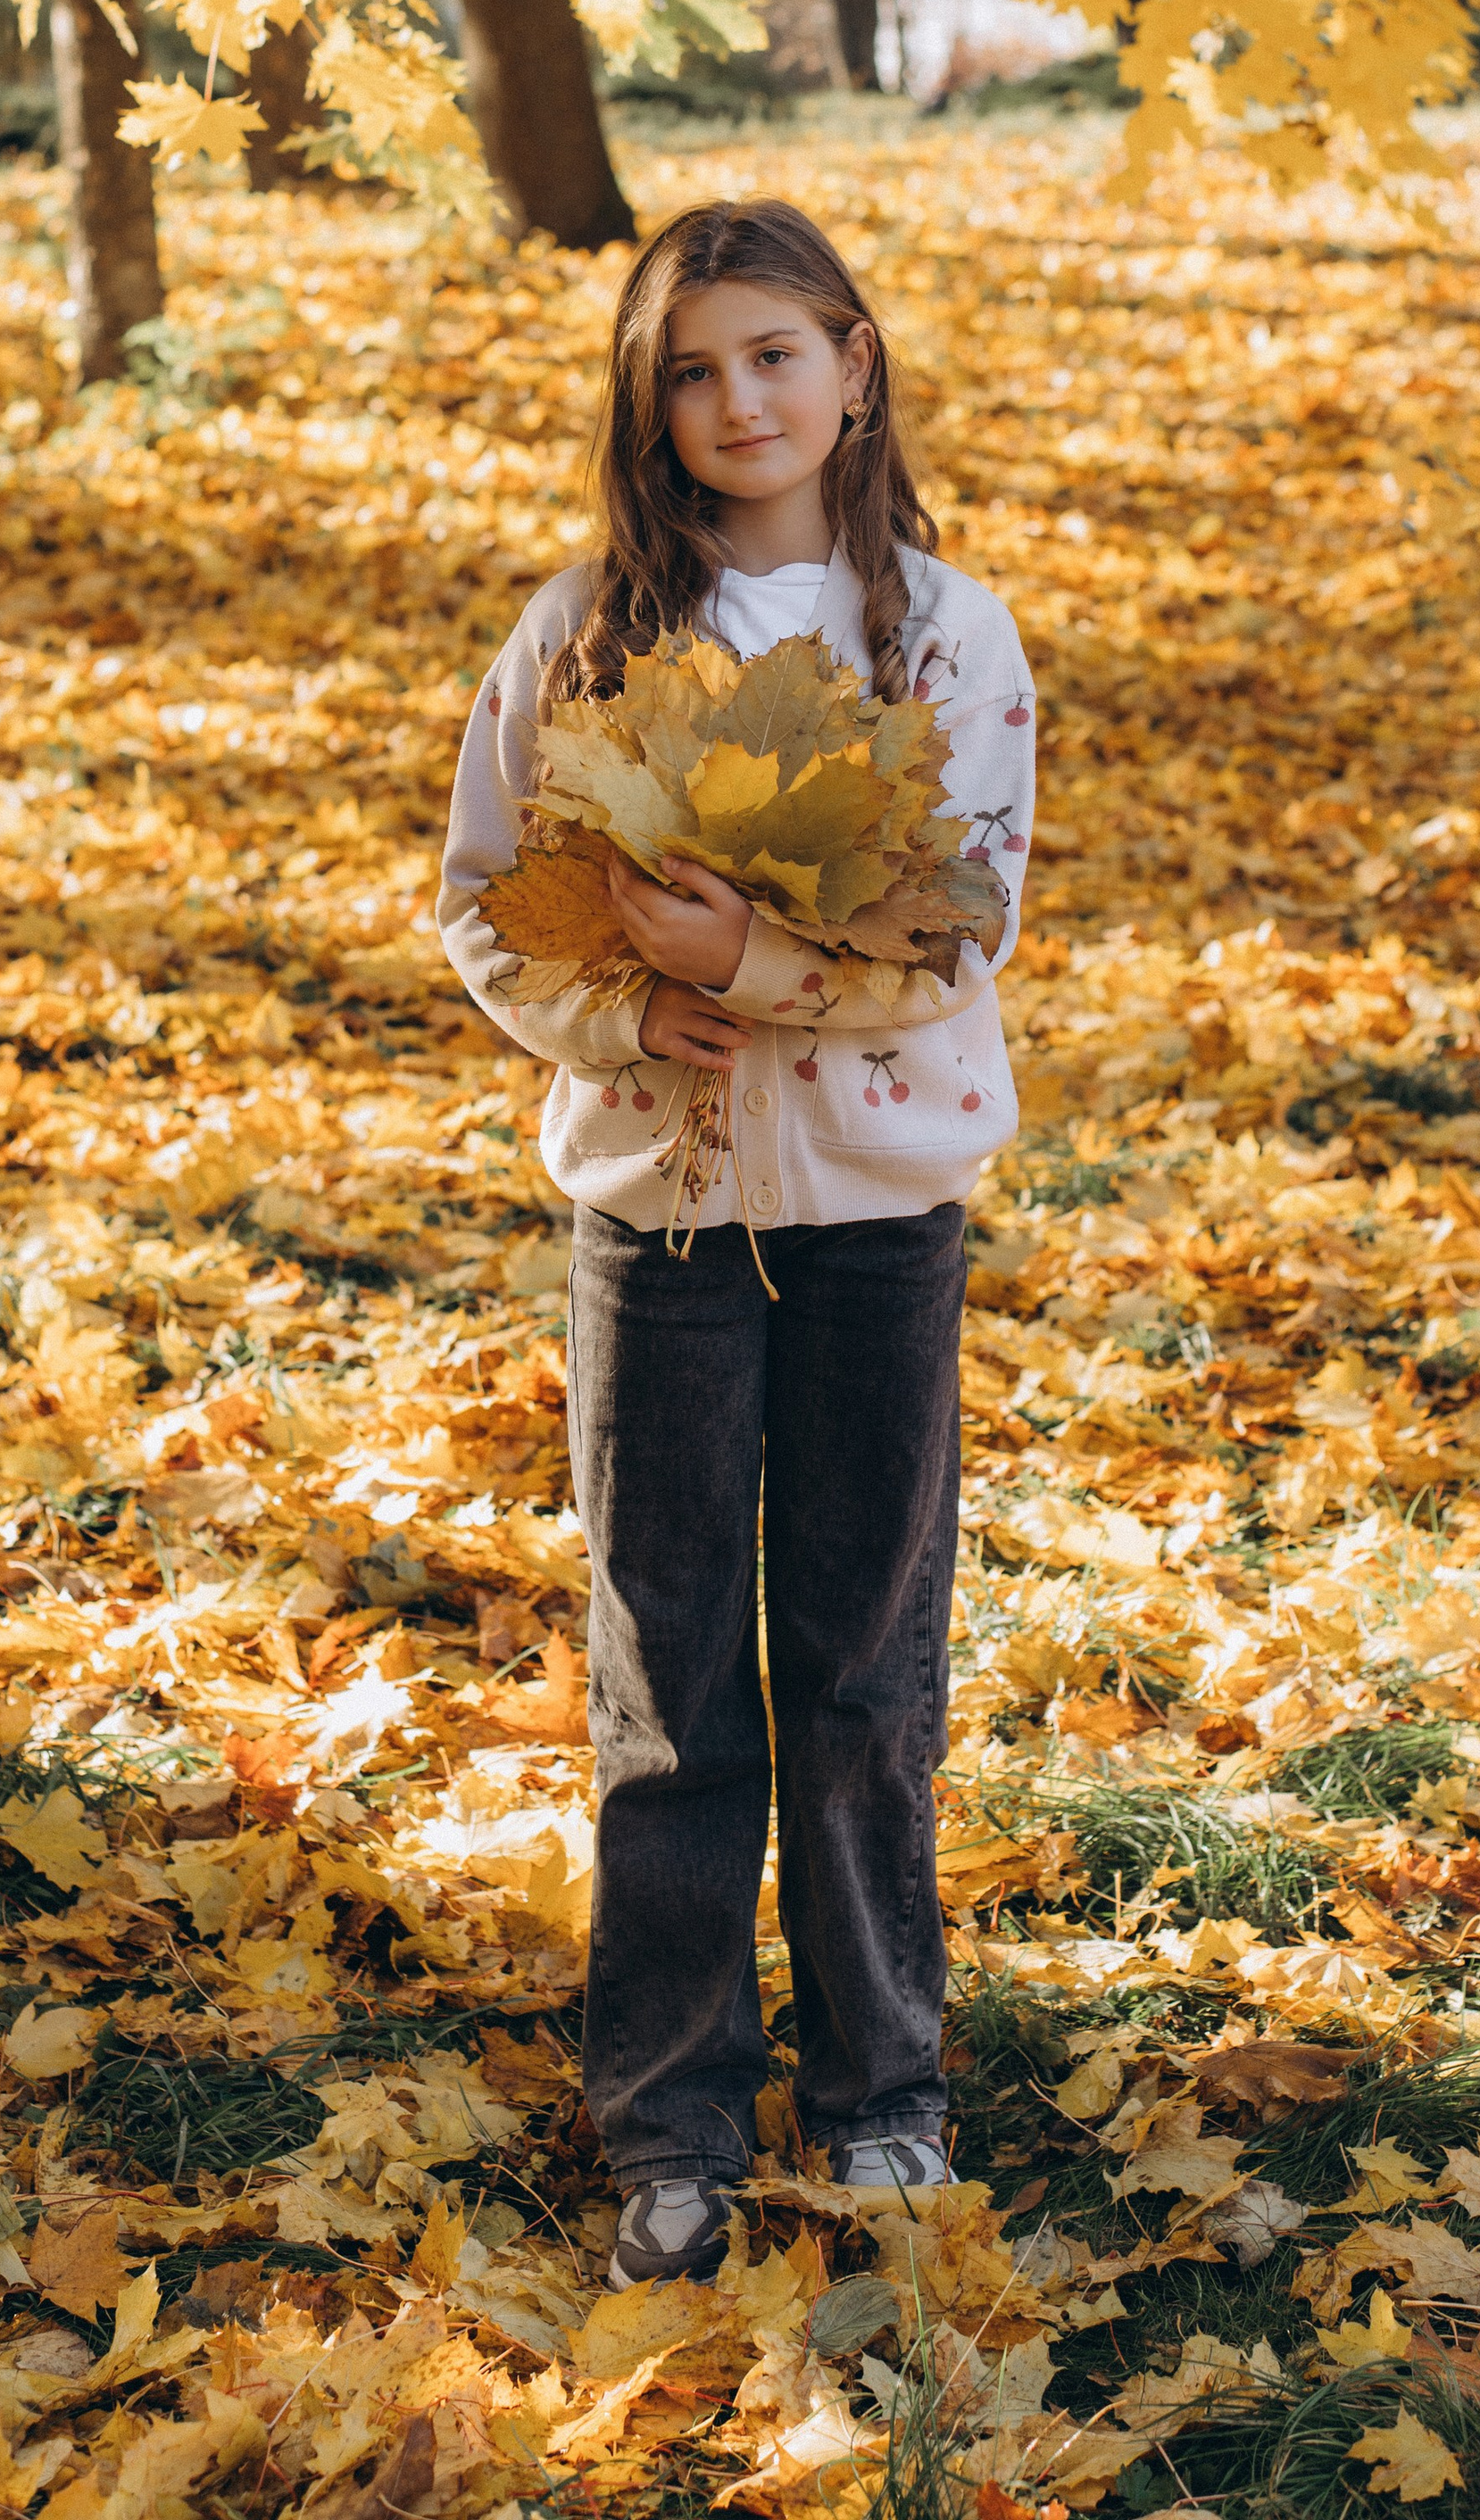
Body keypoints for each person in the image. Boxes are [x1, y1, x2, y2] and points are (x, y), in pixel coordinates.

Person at [437, 196, 1036, 2285]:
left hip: (879, 1222)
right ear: (648, 407)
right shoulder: (582, 631)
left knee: (865, 1673)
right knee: (670, 1676)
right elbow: (481, 898)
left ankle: (882, 2087)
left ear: (850, 366)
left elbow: (965, 923)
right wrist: (630, 1007)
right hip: (660, 1227)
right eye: (690, 370)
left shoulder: (944, 636)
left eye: (772, 354)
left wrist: (766, 963)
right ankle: (669, 2111)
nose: (736, 400)